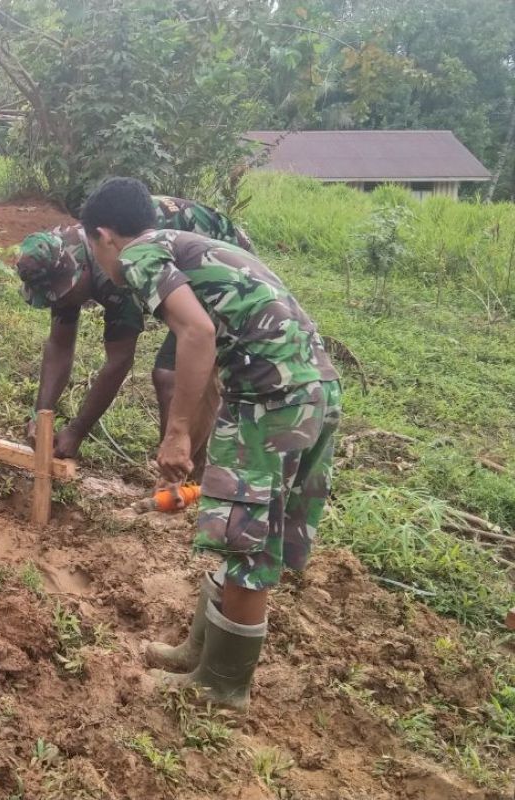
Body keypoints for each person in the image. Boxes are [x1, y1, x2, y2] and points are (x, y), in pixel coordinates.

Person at [79, 177, 341, 710]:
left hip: (275, 399)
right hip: (305, 388)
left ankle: (221, 685)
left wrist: (176, 434)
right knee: (238, 526)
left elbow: (195, 334)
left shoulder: (138, 257)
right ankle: (199, 653)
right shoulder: (180, 244)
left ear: (103, 235)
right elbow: (214, 345)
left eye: (91, 247)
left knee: (248, 541)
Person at [16, 195, 252, 460]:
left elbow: (119, 360)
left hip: (222, 268)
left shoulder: (116, 266)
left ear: (81, 270)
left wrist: (77, 430)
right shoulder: (57, 255)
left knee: (169, 375)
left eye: (63, 294)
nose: (60, 302)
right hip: (177, 262)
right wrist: (40, 414)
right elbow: (59, 345)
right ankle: (180, 473)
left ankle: (182, 475)